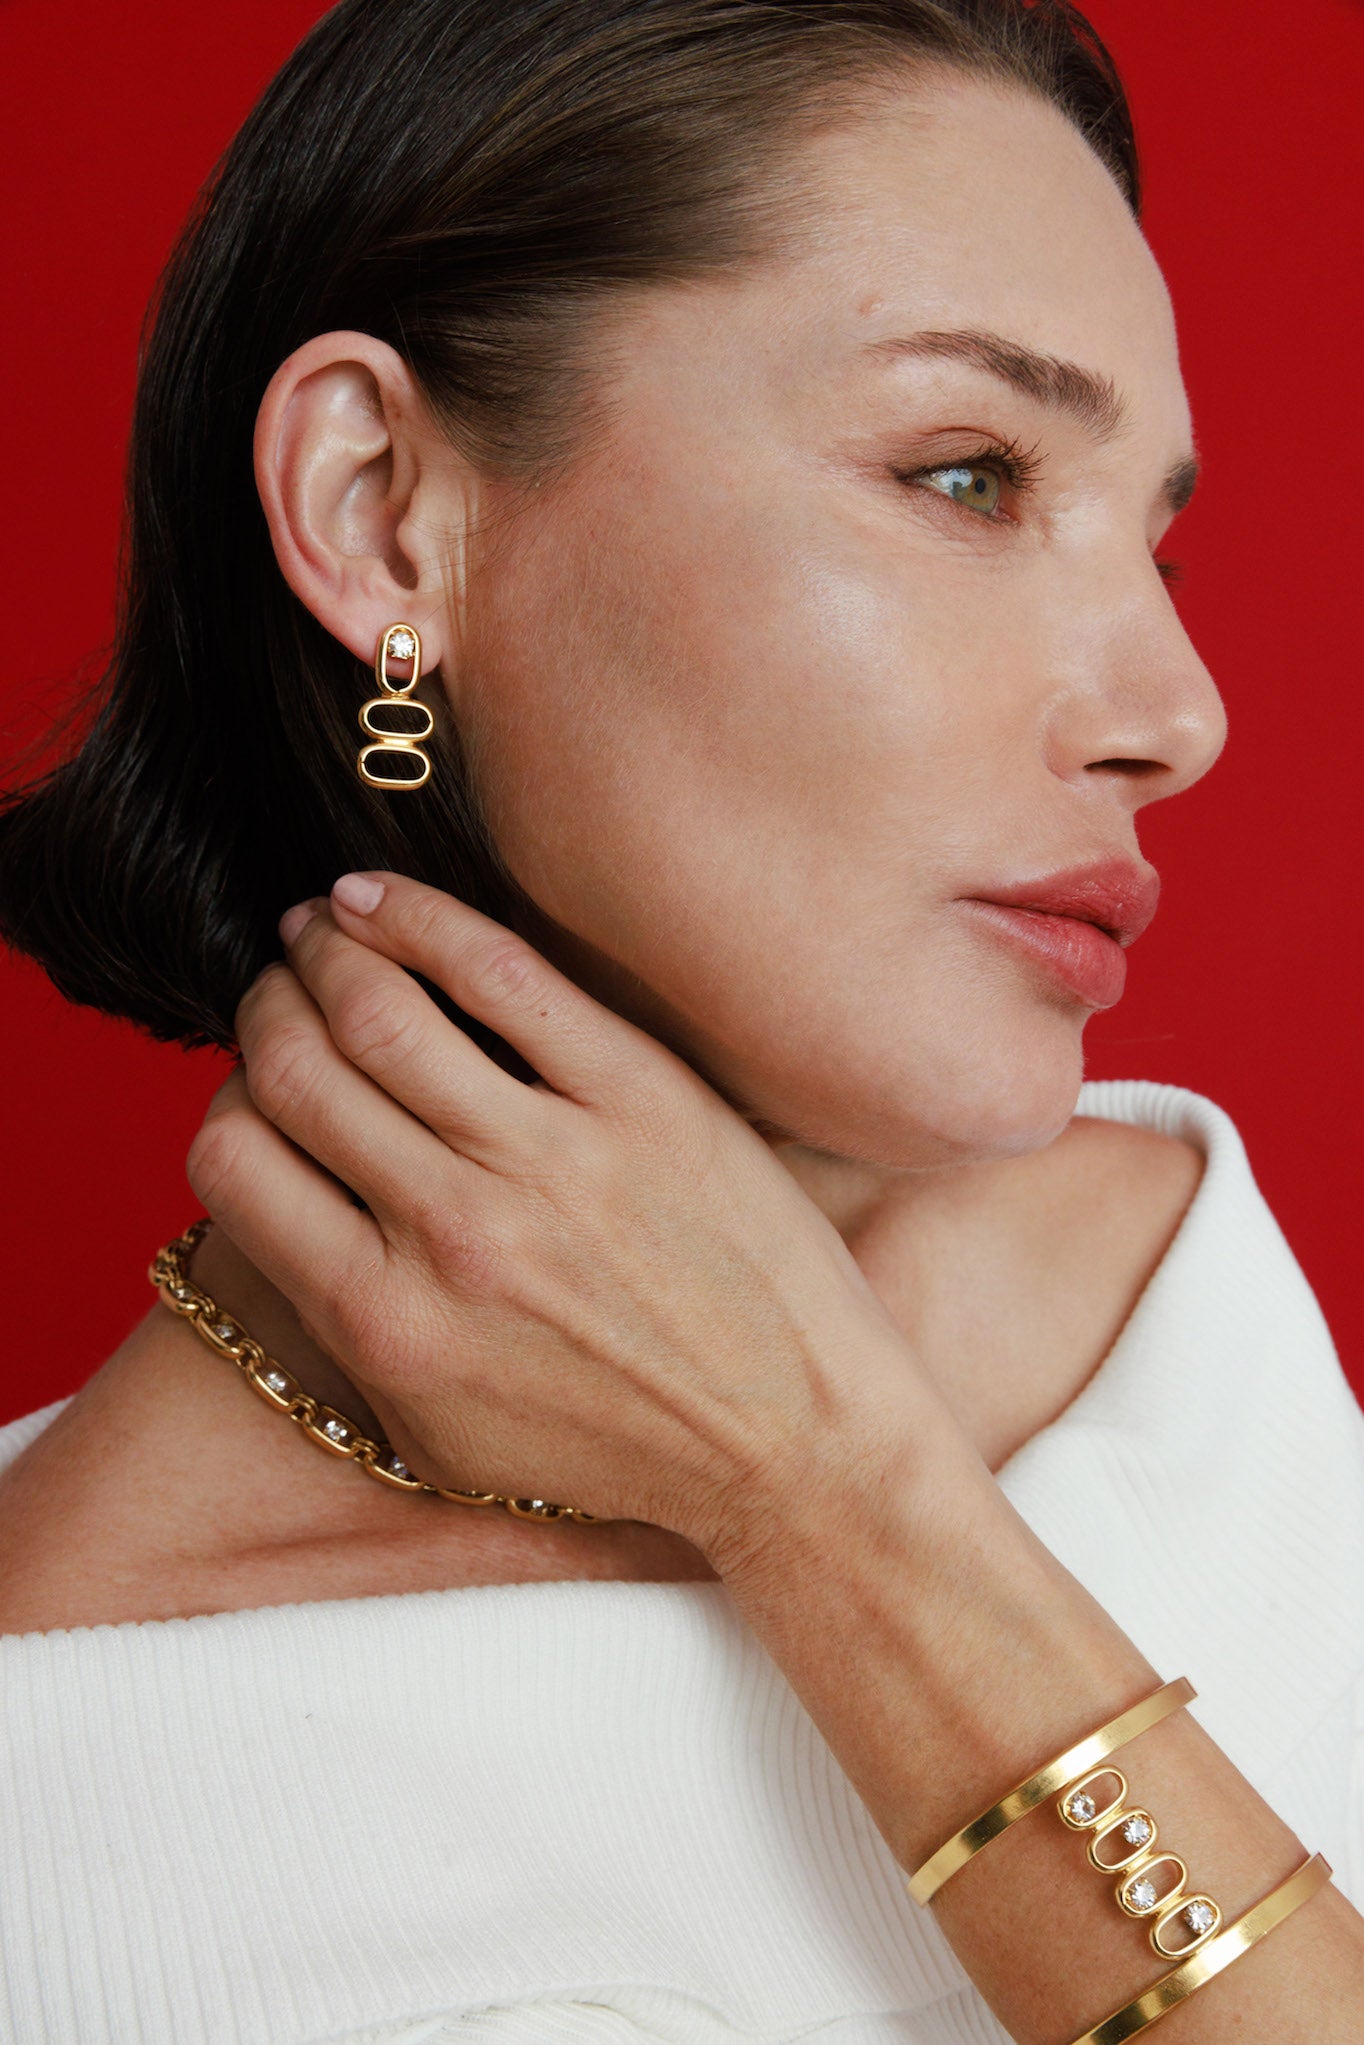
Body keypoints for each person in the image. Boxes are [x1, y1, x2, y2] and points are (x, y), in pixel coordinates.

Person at [0, 2, 1360, 2040]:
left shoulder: (1182, 1291)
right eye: (968, 473)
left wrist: (822, 1491)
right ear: (380, 512)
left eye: (1146, 529)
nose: (1178, 715)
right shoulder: (65, 1789)